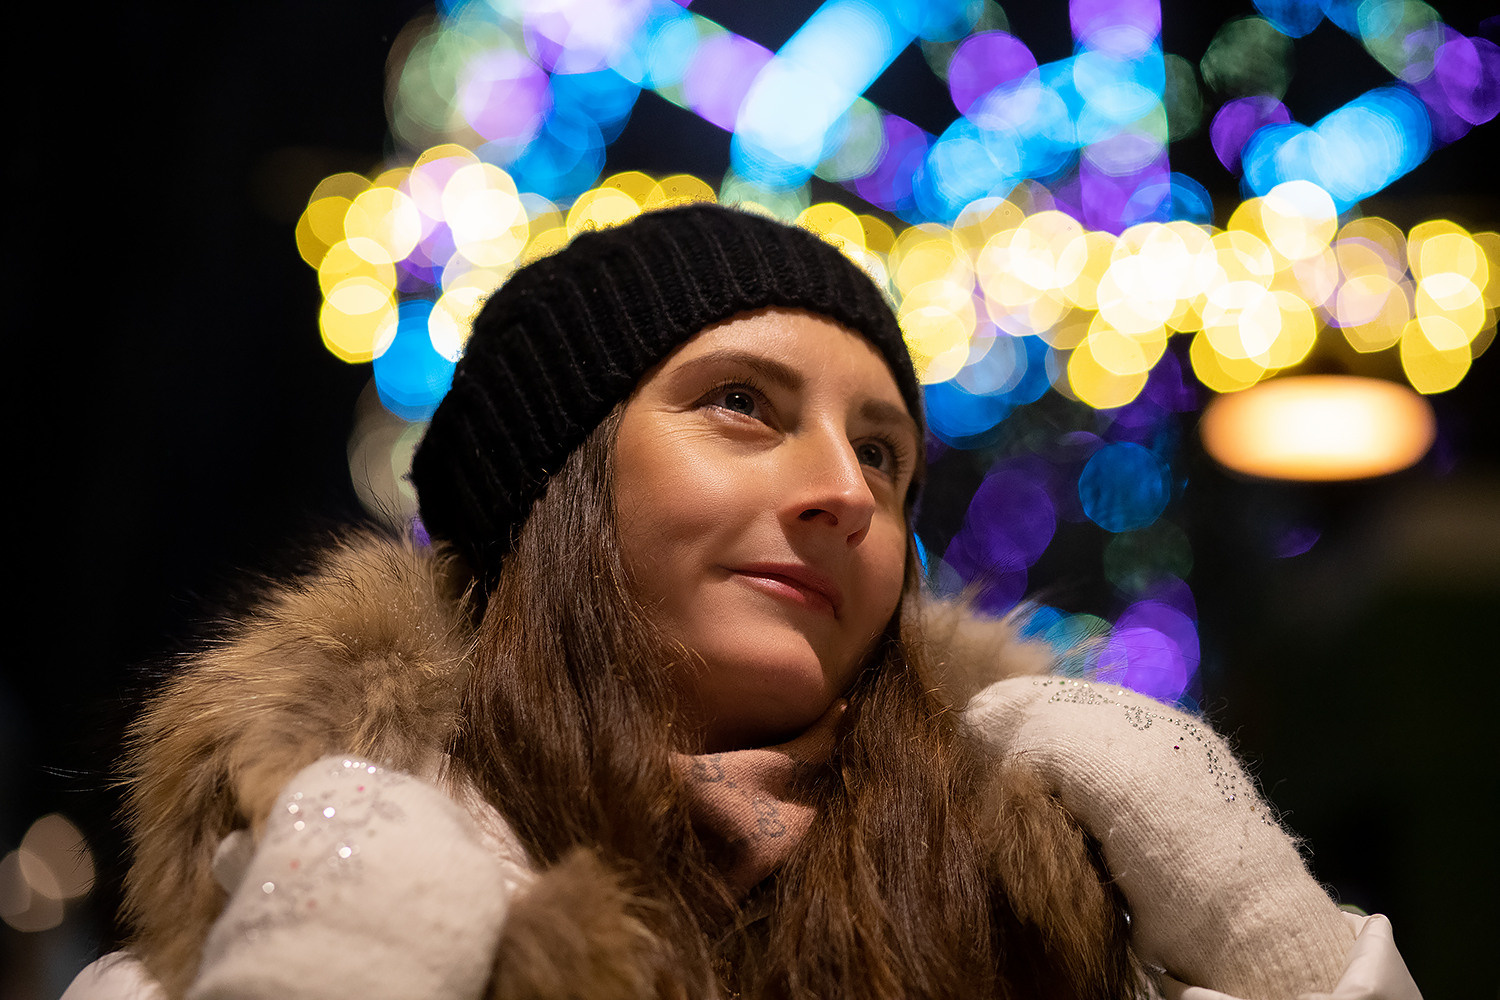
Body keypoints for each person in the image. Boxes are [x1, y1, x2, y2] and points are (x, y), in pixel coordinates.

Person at [65, 204, 1420, 1000]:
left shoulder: (1065, 912)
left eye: (884, 454)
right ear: (555, 484)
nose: (845, 490)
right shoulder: (268, 895)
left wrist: (1264, 933)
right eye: (740, 405)